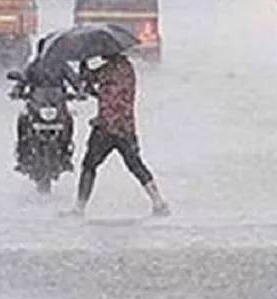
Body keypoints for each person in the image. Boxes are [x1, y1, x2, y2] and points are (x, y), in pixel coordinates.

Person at [71, 53, 169, 217]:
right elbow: (106, 93)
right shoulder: (127, 69)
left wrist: (83, 64)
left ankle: (79, 208)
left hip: (106, 127)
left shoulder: (109, 69)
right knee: (136, 165)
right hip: (126, 127)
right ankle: (158, 202)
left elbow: (91, 80)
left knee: (89, 166)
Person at [13, 37, 80, 173]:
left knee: (68, 120)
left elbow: (74, 80)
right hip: (37, 105)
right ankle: (22, 153)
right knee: (22, 120)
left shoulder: (61, 66)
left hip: (57, 105)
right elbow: (23, 80)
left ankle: (66, 151)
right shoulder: (34, 66)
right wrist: (17, 91)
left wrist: (80, 91)